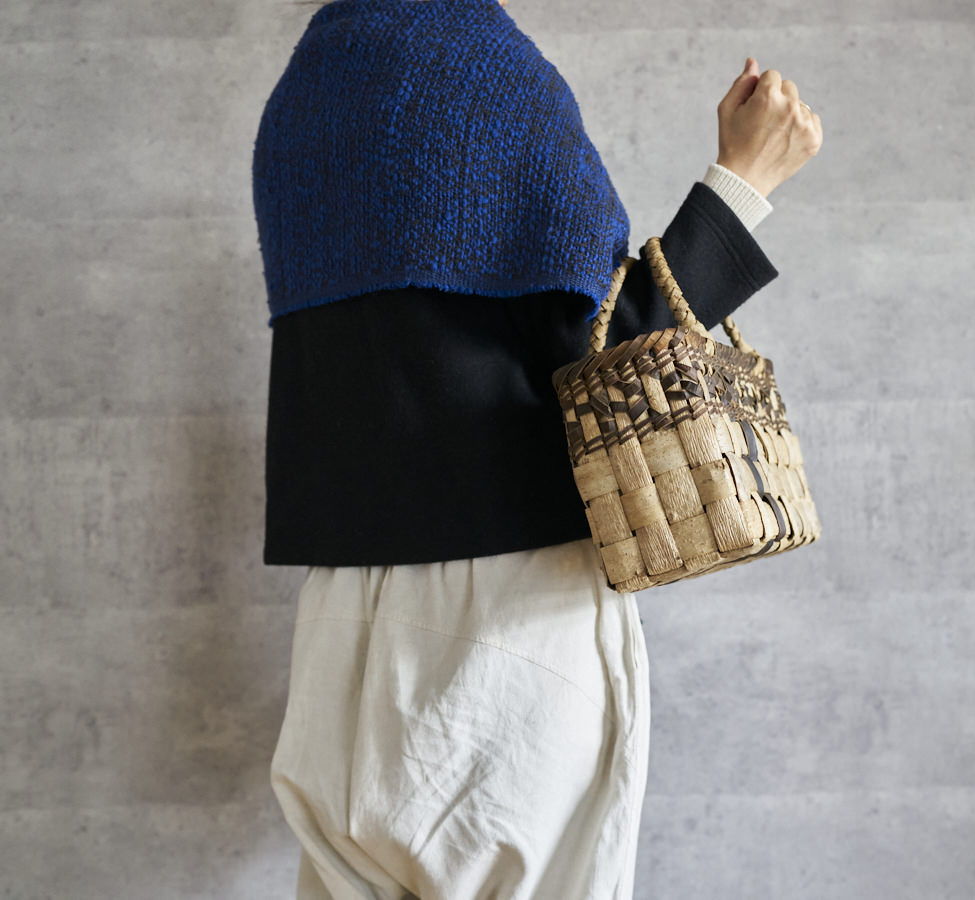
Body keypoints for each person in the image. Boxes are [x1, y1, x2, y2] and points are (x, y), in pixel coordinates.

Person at [253, 1, 821, 897]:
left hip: (339, 623)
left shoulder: (303, 91)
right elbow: (613, 362)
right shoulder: (484, 73)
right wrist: (744, 182)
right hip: (506, 620)